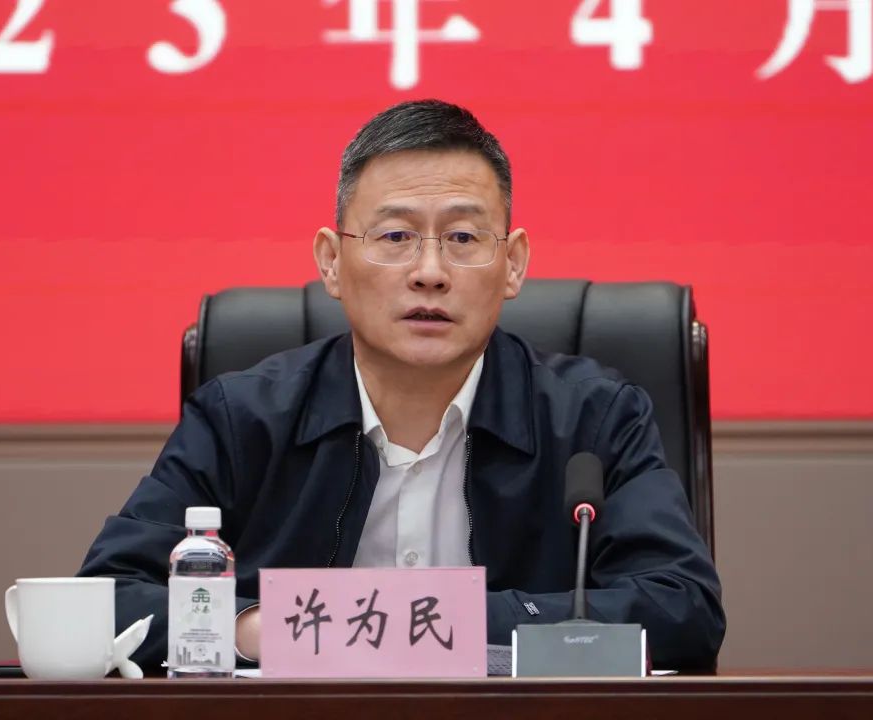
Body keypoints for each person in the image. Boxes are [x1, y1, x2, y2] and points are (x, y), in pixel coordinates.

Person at [78, 99, 725, 671]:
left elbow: (683, 607)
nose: (430, 271)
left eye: (464, 237)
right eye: (395, 236)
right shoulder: (241, 417)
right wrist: (261, 628)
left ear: (513, 264)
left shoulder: (595, 419)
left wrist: (435, 622)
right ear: (332, 261)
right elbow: (104, 601)